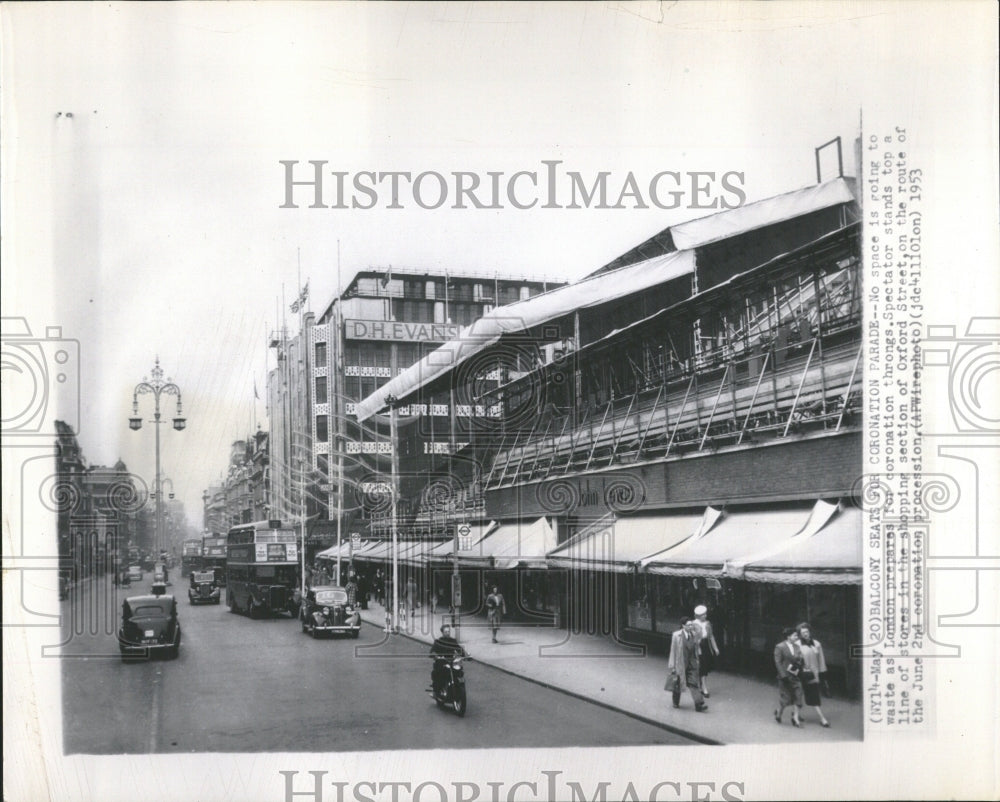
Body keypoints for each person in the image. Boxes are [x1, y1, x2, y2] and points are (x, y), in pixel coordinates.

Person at [665, 617, 707, 712]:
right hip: (681, 663)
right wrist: (672, 666)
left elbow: (697, 646)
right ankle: (676, 702)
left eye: (691, 624)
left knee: (694, 683)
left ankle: (698, 704)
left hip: (692, 664)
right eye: (688, 625)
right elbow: (673, 651)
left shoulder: (694, 634)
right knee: (678, 684)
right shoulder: (676, 635)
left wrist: (697, 661)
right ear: (683, 626)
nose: (690, 626)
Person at [796, 622, 831, 727]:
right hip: (802, 674)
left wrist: (822, 674)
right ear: (799, 634)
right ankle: (821, 718)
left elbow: (821, 660)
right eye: (803, 632)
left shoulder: (817, 644)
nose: (806, 634)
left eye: (807, 631)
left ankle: (798, 714)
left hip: (813, 675)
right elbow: (795, 660)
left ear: (810, 631)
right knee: (799, 694)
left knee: (812, 695)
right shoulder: (797, 645)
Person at [774, 627, 805, 727]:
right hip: (785, 677)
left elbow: (799, 659)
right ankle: (779, 712)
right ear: (788, 637)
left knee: (798, 695)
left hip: (795, 675)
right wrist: (783, 675)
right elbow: (778, 662)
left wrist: (800, 662)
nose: (797, 637)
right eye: (795, 635)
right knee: (786, 698)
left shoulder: (797, 646)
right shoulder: (780, 647)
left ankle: (795, 717)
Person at [693, 604, 720, 698]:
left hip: (706, 647)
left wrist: (715, 648)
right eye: (703, 615)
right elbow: (692, 639)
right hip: (698, 647)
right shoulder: (693, 624)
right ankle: (704, 688)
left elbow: (711, 636)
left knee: (704, 666)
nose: (705, 616)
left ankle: (701, 685)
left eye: (705, 614)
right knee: (702, 666)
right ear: (698, 616)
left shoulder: (708, 624)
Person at [429, 622, 465, 694]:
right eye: (446, 632)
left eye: (448, 631)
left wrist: (466, 655)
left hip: (451, 661)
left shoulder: (453, 641)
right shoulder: (438, 641)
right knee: (440, 673)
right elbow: (432, 651)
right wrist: (436, 656)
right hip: (441, 661)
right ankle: (439, 690)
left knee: (459, 671)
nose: (448, 633)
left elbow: (459, 649)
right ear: (442, 632)